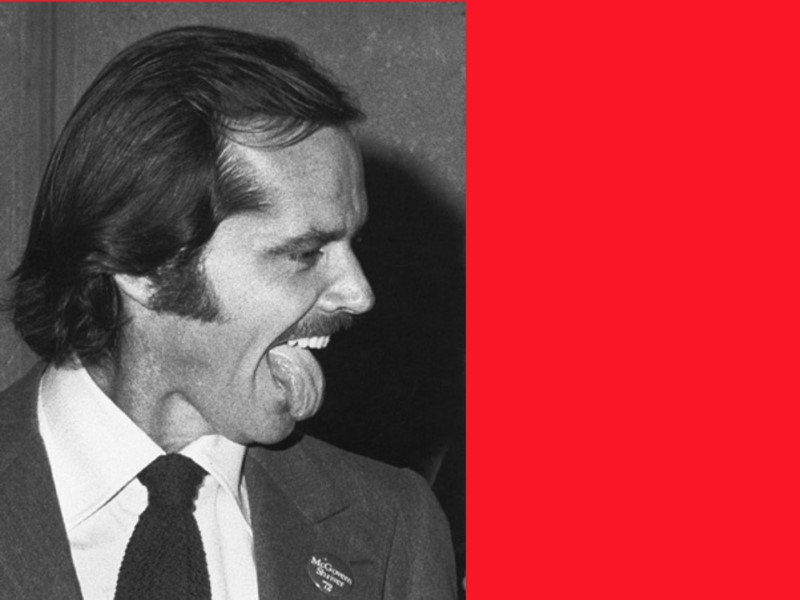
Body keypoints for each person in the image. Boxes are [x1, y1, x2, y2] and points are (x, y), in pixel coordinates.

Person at [0, 26, 456, 599]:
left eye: (352, 244)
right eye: (305, 253)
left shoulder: (392, 530)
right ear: (145, 266)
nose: (359, 294)